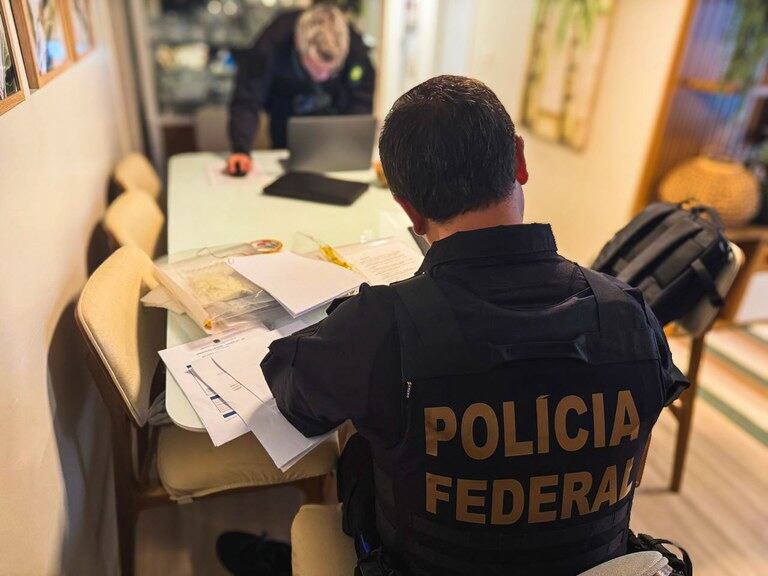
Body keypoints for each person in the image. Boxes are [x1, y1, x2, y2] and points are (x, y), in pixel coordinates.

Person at [218, 76, 687, 575]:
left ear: (410, 212)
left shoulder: (381, 327)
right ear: (520, 161)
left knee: (359, 450)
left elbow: (295, 397)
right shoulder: (630, 315)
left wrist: (342, 325)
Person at [226, 2, 375, 176]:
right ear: (299, 46)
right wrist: (241, 149)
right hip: (284, 128)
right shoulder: (273, 42)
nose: (324, 76)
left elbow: (361, 99)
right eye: (317, 68)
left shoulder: (355, 48)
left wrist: (354, 148)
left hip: (336, 137)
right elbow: (248, 98)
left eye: (332, 70)